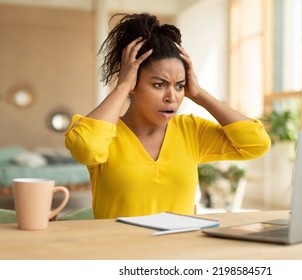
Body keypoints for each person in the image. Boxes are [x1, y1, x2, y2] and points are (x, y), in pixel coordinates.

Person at [64, 13, 271, 219]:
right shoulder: (105, 134)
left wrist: (199, 94)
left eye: (180, 86)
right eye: (159, 85)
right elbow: (86, 148)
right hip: (121, 250)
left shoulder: (191, 130)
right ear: (133, 83)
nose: (172, 97)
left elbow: (257, 143)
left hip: (180, 249)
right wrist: (123, 86)